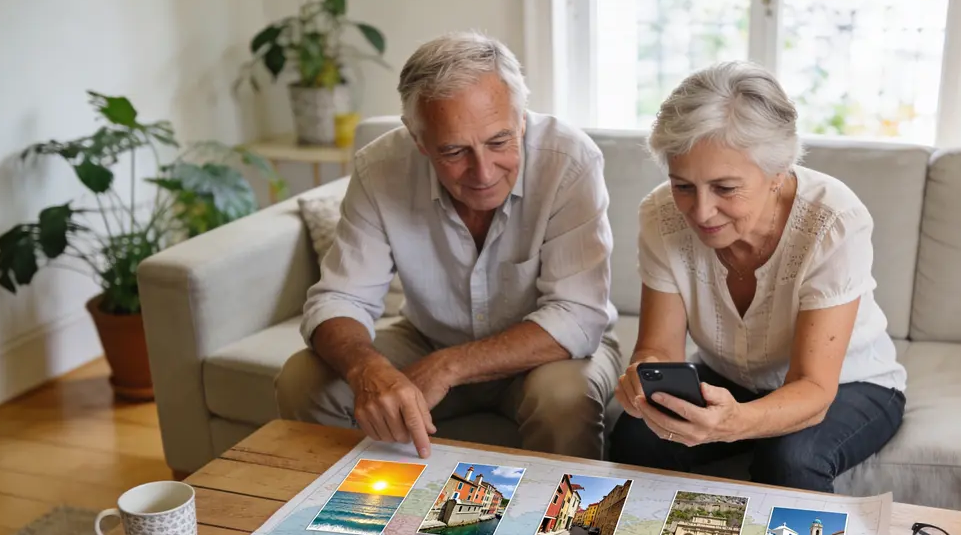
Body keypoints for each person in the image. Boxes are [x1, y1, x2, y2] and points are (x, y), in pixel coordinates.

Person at [276, 32, 621, 460]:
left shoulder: (569, 160)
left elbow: (578, 316)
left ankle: (562, 527)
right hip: (428, 338)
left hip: (549, 355)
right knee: (303, 377)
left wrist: (450, 366)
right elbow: (339, 299)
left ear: (522, 119)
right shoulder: (381, 168)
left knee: (564, 397)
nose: (483, 172)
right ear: (418, 140)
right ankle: (330, 516)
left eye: (499, 141)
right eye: (454, 151)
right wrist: (367, 368)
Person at [608, 61, 907, 492]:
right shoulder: (661, 214)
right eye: (683, 185)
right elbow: (657, 348)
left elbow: (814, 388)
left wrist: (735, 423)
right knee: (636, 437)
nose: (700, 211)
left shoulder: (834, 220)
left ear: (778, 173)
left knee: (790, 460)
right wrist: (644, 377)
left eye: (725, 188)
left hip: (849, 383)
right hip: (729, 377)